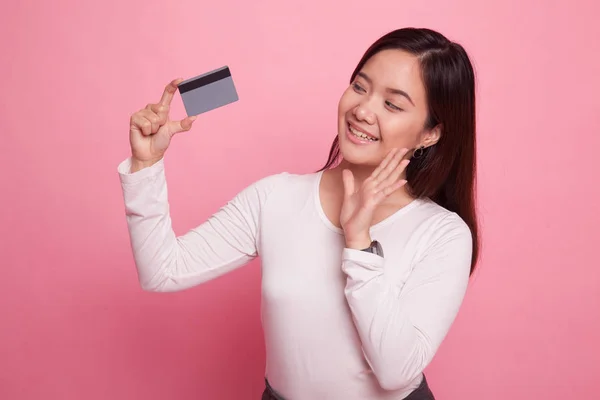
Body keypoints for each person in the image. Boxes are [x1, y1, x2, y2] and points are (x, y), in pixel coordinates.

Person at [117, 27, 479, 400]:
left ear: (430, 134)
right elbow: (162, 271)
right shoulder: (276, 197)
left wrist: (359, 246)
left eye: (393, 104)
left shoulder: (443, 234)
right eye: (360, 86)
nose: (363, 110)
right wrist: (147, 165)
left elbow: (396, 373)